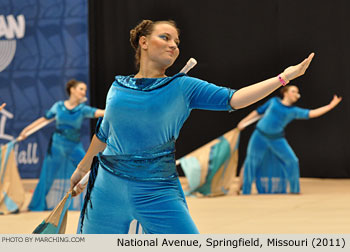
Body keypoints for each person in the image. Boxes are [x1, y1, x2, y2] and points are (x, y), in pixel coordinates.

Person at [70, 19, 314, 234]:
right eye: (165, 37)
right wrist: (82, 168)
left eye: (176, 41)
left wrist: (284, 77)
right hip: (106, 190)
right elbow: (104, 134)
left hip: (157, 190)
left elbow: (235, 98)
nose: (173, 45)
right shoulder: (118, 87)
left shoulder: (184, 87)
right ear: (143, 42)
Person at [237, 85, 342, 194]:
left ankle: (294, 190)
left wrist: (330, 106)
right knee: (251, 162)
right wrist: (243, 122)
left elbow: (312, 113)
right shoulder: (274, 101)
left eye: (297, 92)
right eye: (293, 91)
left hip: (277, 139)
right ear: (285, 92)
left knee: (292, 160)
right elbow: (258, 112)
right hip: (259, 136)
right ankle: (245, 191)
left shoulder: (294, 111)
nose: (296, 94)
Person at [19, 80, 104, 211]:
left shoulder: (82, 109)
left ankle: (97, 205)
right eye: (81, 89)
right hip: (57, 147)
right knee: (47, 176)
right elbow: (44, 120)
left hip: (74, 146)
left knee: (90, 169)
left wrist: (117, 109)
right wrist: (26, 131)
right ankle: (36, 205)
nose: (84, 92)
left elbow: (101, 113)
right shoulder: (58, 106)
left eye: (85, 90)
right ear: (72, 90)